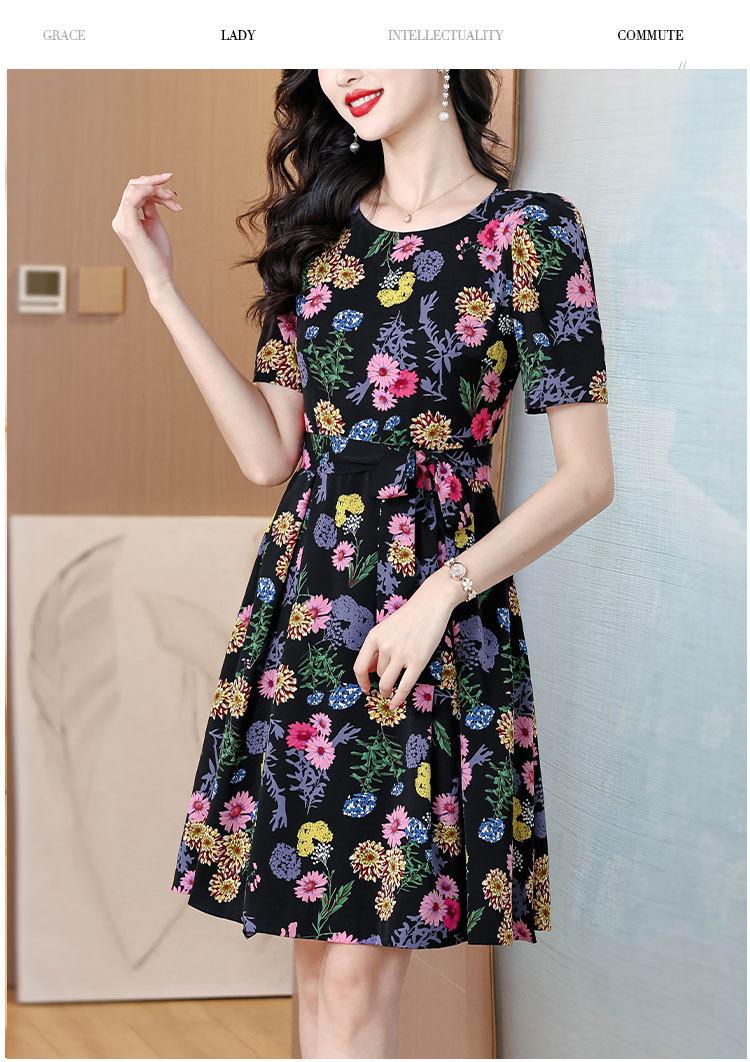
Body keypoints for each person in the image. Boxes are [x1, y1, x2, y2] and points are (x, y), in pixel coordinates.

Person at [112, 68, 614, 1060]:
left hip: (431, 622)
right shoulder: (319, 236)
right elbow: (269, 453)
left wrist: (440, 597)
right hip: (305, 614)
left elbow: (588, 478)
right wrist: (159, 284)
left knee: (352, 976)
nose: (346, 68)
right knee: (317, 965)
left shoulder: (531, 231)